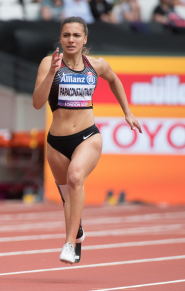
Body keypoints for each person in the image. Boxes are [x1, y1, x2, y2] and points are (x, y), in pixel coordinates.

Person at [32, 16, 142, 264]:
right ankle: (77, 230)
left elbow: (114, 79)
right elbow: (38, 103)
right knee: (67, 198)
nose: (71, 40)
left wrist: (127, 112)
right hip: (56, 143)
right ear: (60, 38)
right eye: (66, 35)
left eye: (76, 35)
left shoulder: (96, 65)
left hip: (87, 136)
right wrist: (51, 72)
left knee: (75, 177)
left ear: (85, 39)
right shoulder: (48, 64)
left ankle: (70, 243)